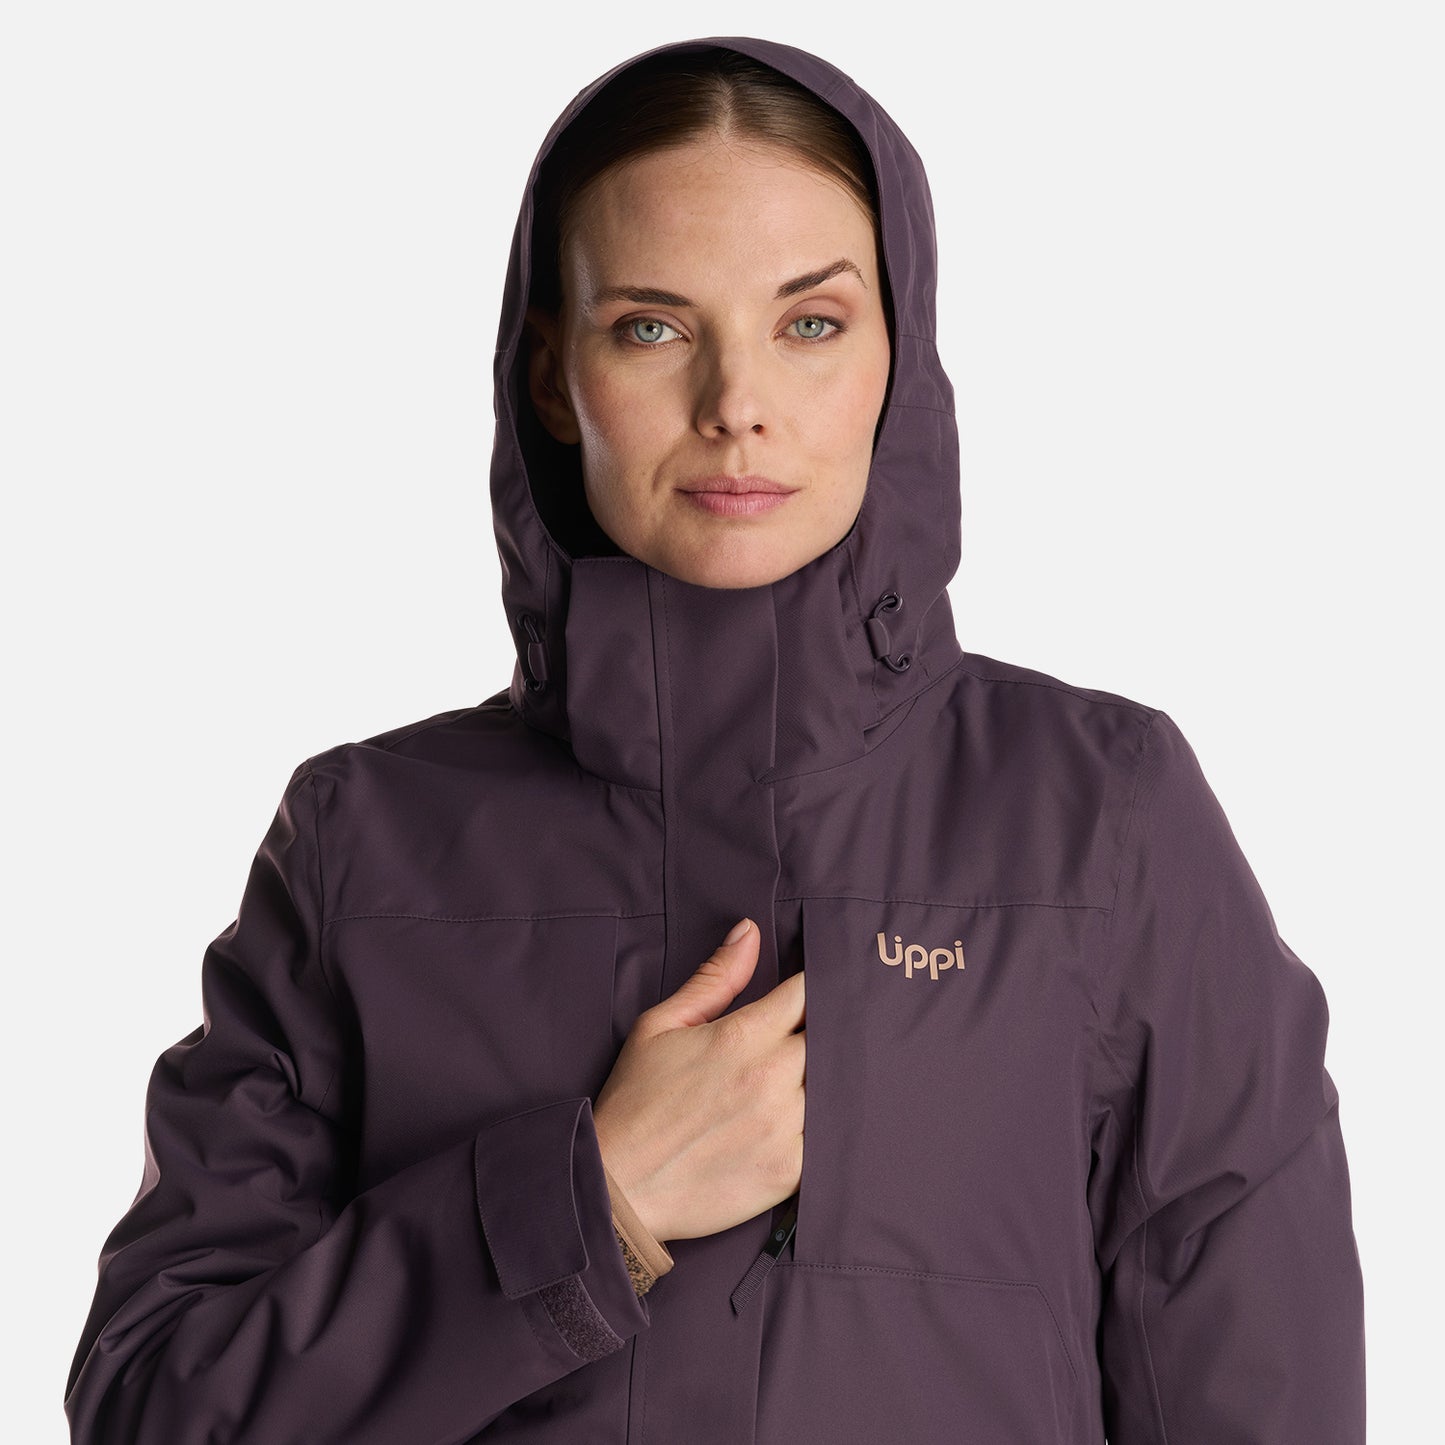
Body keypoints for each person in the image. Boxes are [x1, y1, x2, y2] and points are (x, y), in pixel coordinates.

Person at [64, 35, 1366, 1444]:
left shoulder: (1100, 816)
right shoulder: (364, 841)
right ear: (553, 375)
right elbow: (151, 1409)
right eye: (652, 326)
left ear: (898, 356)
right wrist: (594, 1198)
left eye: (810, 322)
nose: (735, 401)